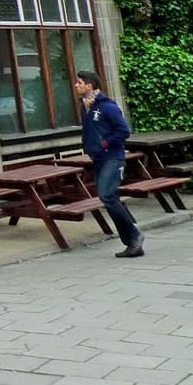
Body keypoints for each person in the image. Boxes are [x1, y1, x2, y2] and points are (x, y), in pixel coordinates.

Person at [75, 69, 144, 258]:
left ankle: (134, 235)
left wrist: (104, 143)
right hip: (98, 158)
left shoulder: (106, 107)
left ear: (89, 85)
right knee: (109, 197)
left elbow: (123, 130)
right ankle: (133, 243)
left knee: (106, 196)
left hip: (112, 158)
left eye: (79, 82)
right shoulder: (86, 106)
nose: (76, 85)